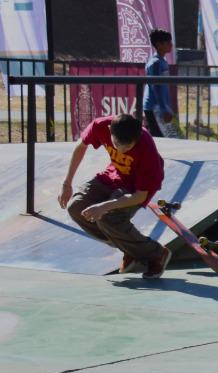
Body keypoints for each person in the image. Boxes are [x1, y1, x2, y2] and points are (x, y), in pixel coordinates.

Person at [56, 113, 169, 278]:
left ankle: (156, 254)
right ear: (110, 130)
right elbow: (80, 146)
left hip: (136, 186)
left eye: (127, 147)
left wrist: (104, 206)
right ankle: (129, 248)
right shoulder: (101, 126)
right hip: (112, 175)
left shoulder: (147, 151)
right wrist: (67, 183)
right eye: (117, 144)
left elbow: (139, 196)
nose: (121, 149)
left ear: (137, 138)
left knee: (108, 217)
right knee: (76, 207)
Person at [142, 29, 176, 137]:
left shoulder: (162, 61)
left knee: (163, 137)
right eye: (167, 42)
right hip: (154, 107)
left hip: (160, 106)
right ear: (158, 44)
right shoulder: (155, 62)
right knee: (160, 138)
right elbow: (155, 86)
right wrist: (163, 109)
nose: (171, 44)